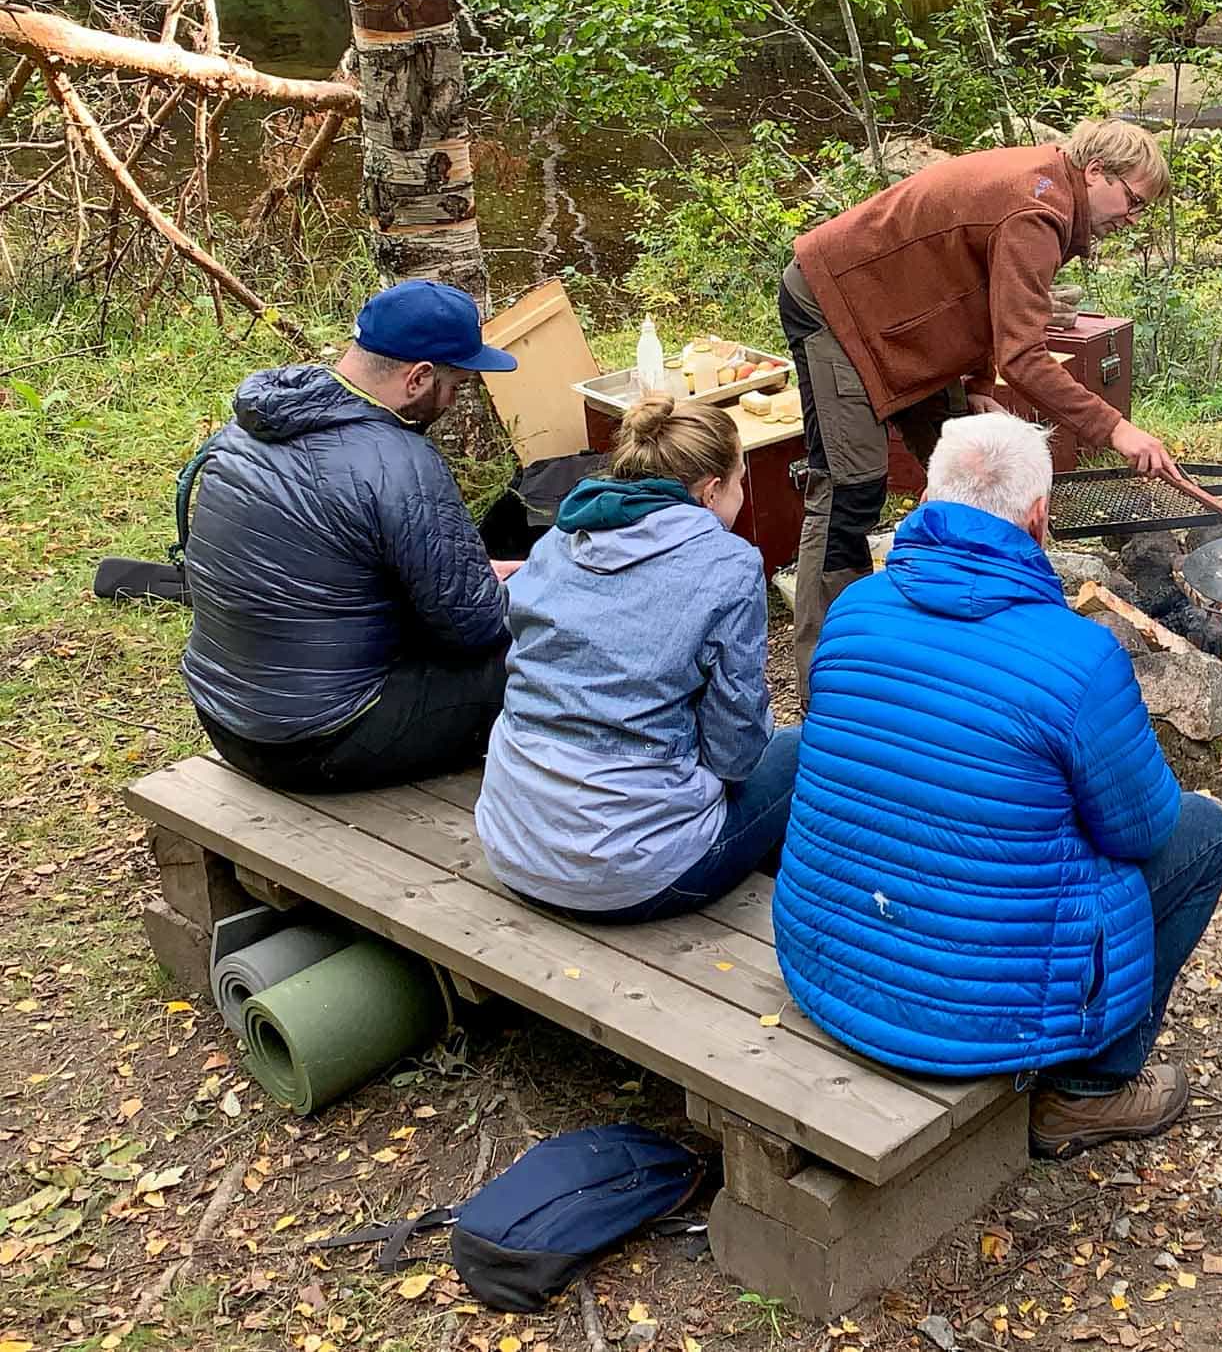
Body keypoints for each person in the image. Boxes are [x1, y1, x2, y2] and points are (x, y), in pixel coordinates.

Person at [772, 412, 1222, 1160]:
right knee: (1205, 829)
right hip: (974, 1015)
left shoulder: (854, 609)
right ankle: (1089, 1091)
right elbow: (1146, 831)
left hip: (824, 963)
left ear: (927, 498)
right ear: (1039, 518)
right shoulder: (1077, 655)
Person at [779, 120, 1199, 659]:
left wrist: (978, 382)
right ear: (1097, 173)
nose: (1134, 218)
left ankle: (962, 621)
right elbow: (1024, 355)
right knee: (850, 488)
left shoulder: (1053, 192)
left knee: (969, 467)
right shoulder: (1037, 210)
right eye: (1133, 200)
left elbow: (977, 286)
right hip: (835, 302)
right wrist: (1115, 428)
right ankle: (835, 663)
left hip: (902, 316)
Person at [180, 280, 521, 792]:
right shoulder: (400, 461)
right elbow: (472, 628)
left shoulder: (245, 431)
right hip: (319, 743)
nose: (454, 400)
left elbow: (323, 569)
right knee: (541, 653)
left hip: (223, 715)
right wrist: (518, 587)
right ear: (419, 377)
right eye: (458, 384)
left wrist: (469, 575)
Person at [475, 396, 798, 923]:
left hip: (512, 842)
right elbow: (736, 754)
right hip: (631, 878)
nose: (742, 494)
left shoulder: (559, 537)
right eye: (741, 481)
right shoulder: (728, 565)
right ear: (711, 491)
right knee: (796, 749)